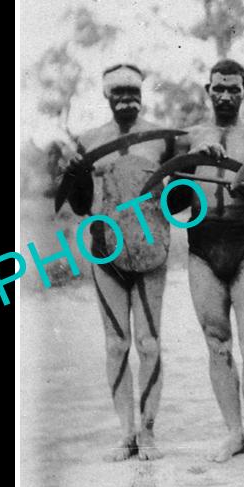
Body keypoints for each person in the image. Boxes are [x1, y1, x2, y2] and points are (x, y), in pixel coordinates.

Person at [64, 64, 175, 461]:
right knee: (115, 345)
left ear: (142, 94)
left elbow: (178, 199)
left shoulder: (161, 139)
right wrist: (74, 174)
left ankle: (148, 432)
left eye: (133, 92)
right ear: (106, 96)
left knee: (148, 343)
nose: (127, 100)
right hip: (104, 250)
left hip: (151, 250)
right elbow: (78, 204)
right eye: (118, 93)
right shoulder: (89, 140)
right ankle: (125, 433)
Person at [180, 59, 244, 462]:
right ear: (208, 89)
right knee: (217, 344)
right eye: (218, 87)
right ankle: (234, 432)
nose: (225, 95)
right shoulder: (188, 138)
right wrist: (190, 163)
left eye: (233, 88)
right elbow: (175, 201)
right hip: (203, 245)